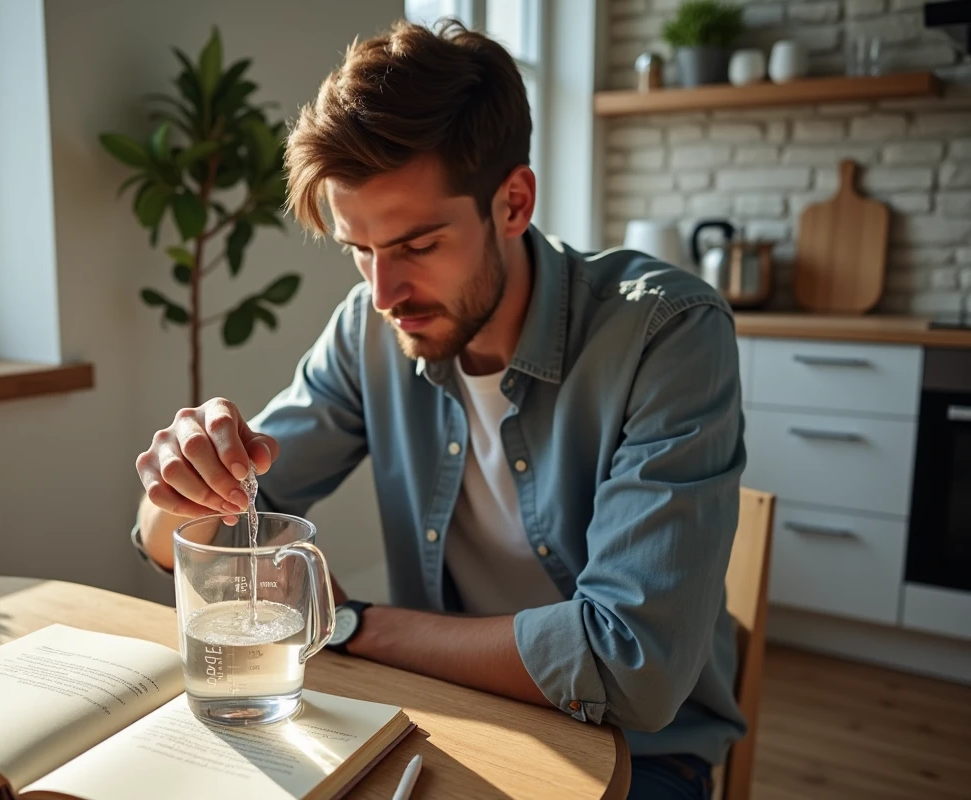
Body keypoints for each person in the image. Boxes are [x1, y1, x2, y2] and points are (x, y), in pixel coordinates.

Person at [134, 20, 745, 800]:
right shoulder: (369, 329)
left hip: (641, 750)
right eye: (361, 249)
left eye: (418, 246)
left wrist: (355, 625)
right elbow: (213, 536)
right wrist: (182, 484)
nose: (384, 294)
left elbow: (632, 670)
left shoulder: (667, 333)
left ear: (514, 202)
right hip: (443, 709)